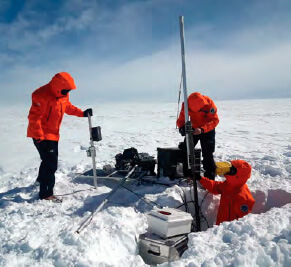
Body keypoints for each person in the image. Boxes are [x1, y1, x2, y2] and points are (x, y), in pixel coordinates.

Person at [27, 72, 93, 202]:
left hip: (53, 135)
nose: (67, 92)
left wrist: (82, 113)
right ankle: (46, 194)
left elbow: (68, 107)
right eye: (66, 89)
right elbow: (34, 117)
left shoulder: (62, 96)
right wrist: (39, 135)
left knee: (47, 161)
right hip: (41, 134)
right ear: (57, 87)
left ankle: (41, 181)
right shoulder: (41, 95)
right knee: (50, 164)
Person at [197, 159, 255, 225]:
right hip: (219, 228)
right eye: (229, 167)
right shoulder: (228, 185)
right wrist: (200, 178)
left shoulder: (243, 197)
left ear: (238, 175)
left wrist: (229, 231)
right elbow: (215, 186)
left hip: (229, 231)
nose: (228, 170)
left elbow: (243, 223)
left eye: (231, 169)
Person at [177, 92, 219, 180]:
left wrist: (202, 129)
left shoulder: (209, 104)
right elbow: (181, 118)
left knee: (207, 154)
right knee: (186, 150)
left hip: (207, 129)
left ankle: (210, 178)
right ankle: (187, 174)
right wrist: (181, 128)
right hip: (194, 129)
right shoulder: (186, 104)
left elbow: (215, 120)